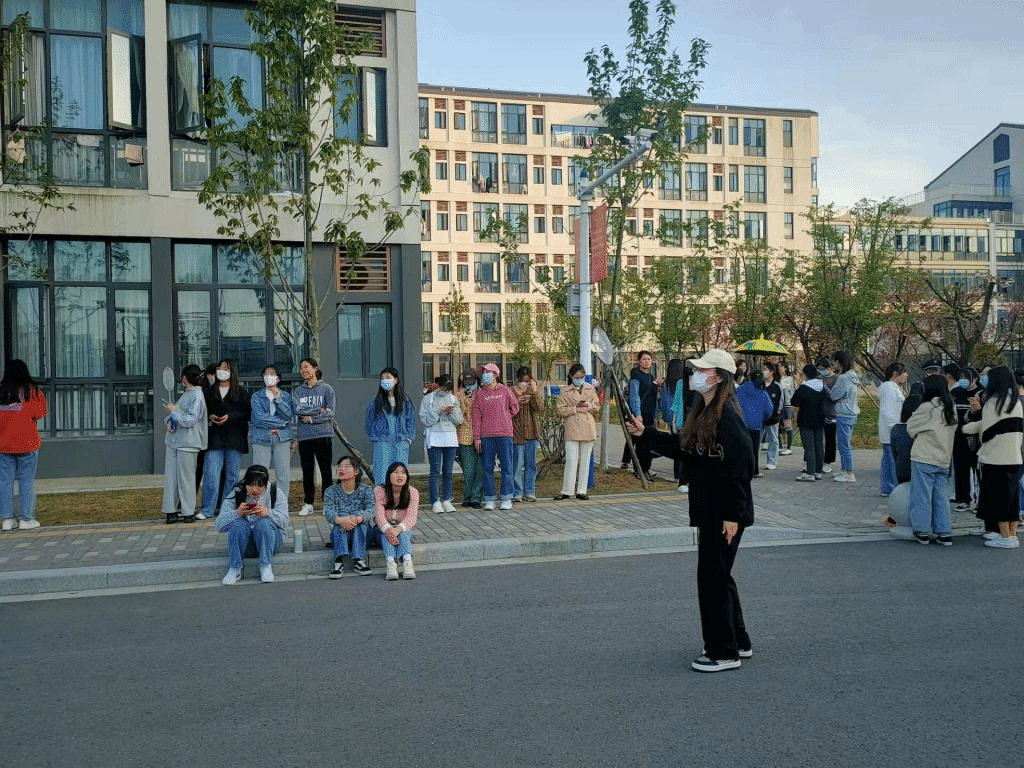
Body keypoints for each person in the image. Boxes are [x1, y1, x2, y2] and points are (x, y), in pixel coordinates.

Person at [627, 348, 754, 673]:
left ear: (718, 377)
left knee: (712, 579)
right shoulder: (704, 412)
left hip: (725, 513)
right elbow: (684, 447)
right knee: (719, 576)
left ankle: (723, 652)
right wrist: (647, 434)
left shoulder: (727, 416)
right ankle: (738, 641)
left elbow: (742, 465)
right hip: (710, 509)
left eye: (702, 370)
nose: (695, 375)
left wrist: (733, 515)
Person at [963, 365, 1023, 549]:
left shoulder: (992, 402)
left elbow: (986, 433)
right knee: (1012, 498)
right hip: (1014, 456)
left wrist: (971, 428)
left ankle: (1004, 537)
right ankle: (1012, 535)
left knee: (999, 498)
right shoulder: (1015, 402)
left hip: (994, 458)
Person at [217, 464, 289, 584]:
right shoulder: (237, 493)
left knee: (263, 523)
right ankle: (235, 568)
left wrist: (268, 513)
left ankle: (265, 566)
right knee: (238, 525)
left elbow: (285, 522)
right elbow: (219, 525)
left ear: (265, 485)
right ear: (245, 483)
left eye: (260, 486)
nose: (255, 490)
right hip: (246, 546)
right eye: (250, 485)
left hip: (270, 543)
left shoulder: (275, 492)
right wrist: (238, 513)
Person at [906, 375, 957, 545]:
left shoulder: (927, 407)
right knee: (941, 496)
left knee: (922, 495)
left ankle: (921, 530)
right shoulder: (951, 407)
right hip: (944, 458)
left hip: (924, 456)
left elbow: (911, 427)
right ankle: (944, 532)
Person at [199, 358, 250, 521]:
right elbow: (203, 411)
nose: (221, 372)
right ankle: (207, 509)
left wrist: (230, 416)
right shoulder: (209, 392)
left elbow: (247, 414)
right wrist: (211, 416)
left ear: (232, 372)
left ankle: (226, 508)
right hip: (214, 439)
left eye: (225, 369)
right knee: (211, 475)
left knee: (232, 476)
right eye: (219, 368)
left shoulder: (241, 392)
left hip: (235, 438)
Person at [0, 360, 47, 531]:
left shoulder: (1, 391)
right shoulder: (32, 391)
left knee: (4, 482)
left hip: (3, 445)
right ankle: (26, 519)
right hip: (27, 443)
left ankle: (7, 519)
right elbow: (40, 412)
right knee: (26, 481)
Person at [161, 364, 208, 524]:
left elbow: (191, 419)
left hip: (188, 443)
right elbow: (179, 415)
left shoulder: (197, 395)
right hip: (174, 442)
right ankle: (171, 511)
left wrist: (173, 411)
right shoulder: (186, 394)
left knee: (186, 479)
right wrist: (169, 419)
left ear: (186, 378)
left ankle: (188, 512)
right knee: (171, 479)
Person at [472, 362, 519, 510]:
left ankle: (506, 498)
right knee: (487, 468)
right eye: (484, 372)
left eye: (488, 372)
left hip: (504, 434)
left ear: (495, 375)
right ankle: (490, 499)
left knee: (507, 467)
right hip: (486, 436)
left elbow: (515, 407)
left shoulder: (505, 390)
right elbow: (476, 417)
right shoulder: (480, 394)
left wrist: (505, 417)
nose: (485, 375)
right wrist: (477, 437)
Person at [293, 357, 336, 517]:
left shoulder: (327, 389)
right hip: (305, 437)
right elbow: (297, 410)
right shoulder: (298, 391)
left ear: (315, 368)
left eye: (306, 367)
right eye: (301, 368)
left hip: (323, 434)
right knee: (307, 472)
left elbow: (330, 412)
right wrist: (319, 409)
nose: (304, 370)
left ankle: (327, 504)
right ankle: (308, 503)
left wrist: (311, 418)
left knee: (326, 471)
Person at [555, 364, 600, 501]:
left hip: (587, 425)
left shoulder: (590, 388)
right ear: (571, 376)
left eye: (582, 377)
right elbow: (560, 409)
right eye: (577, 377)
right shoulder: (565, 391)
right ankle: (567, 490)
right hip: (572, 426)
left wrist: (588, 405)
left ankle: (581, 490)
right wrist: (575, 408)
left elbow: (597, 406)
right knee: (571, 460)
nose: (579, 379)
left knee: (585, 460)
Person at [324, 456, 374, 578]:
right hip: (340, 532)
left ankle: (359, 560)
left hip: (364, 533)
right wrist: (341, 520)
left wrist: (357, 519)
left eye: (347, 466)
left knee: (360, 523)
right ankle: (338, 562)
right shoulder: (330, 491)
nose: (342, 469)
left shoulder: (366, 490)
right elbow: (329, 512)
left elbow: (372, 510)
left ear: (356, 471)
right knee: (339, 523)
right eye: (340, 466)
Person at [420, 373, 463, 513]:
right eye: (444, 386)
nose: (446, 390)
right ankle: (435, 501)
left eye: (448, 387)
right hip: (434, 437)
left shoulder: (453, 399)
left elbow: (459, 420)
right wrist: (438, 412)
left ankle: (447, 500)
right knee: (435, 471)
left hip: (450, 437)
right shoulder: (428, 399)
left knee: (448, 471)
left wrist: (451, 412)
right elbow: (425, 420)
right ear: (438, 385)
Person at [365, 367, 416, 486]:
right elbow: (369, 420)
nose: (385, 381)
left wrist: (408, 439)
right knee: (381, 473)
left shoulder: (405, 400)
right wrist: (375, 436)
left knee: (399, 473)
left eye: (388, 377)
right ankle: (381, 497)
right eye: (382, 378)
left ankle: (399, 497)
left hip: (400, 440)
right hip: (382, 441)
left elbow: (411, 420)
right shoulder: (376, 400)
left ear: (396, 380)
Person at [250, 364, 294, 496]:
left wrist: (278, 399)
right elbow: (258, 418)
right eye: (266, 374)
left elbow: (288, 415)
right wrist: (281, 423)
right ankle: (259, 502)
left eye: (272, 374)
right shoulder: (256, 396)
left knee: (283, 474)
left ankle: (282, 503)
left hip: (282, 438)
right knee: (259, 473)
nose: (269, 376)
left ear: (278, 378)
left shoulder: (286, 396)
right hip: (261, 438)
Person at [374, 461, 420, 580]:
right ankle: (391, 564)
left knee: (404, 534)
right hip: (381, 530)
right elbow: (379, 517)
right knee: (386, 534)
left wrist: (398, 530)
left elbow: (411, 518)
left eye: (403, 473)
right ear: (389, 476)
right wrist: (389, 530)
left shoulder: (413, 492)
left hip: (402, 530)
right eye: (395, 472)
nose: (400, 475)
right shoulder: (379, 491)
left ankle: (407, 563)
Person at [620, 350, 659, 481]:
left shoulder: (651, 377)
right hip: (640, 415)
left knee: (648, 443)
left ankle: (645, 468)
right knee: (640, 443)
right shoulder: (636, 377)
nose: (647, 362)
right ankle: (639, 470)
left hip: (650, 414)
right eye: (644, 359)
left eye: (649, 359)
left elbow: (655, 398)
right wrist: (637, 414)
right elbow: (634, 396)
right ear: (639, 361)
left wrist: (655, 415)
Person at [510, 367, 543, 502]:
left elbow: (539, 407)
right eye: (522, 380)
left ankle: (530, 491)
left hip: (531, 432)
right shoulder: (510, 391)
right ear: (517, 379)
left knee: (531, 464)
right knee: (517, 464)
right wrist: (517, 402)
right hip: (516, 432)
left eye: (527, 380)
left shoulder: (532, 391)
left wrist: (534, 392)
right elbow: (506, 410)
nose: (524, 383)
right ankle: (517, 492)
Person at [791, 364, 828, 481]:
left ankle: (810, 473)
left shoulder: (803, 387)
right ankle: (818, 471)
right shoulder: (822, 386)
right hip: (820, 419)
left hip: (805, 420)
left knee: (809, 447)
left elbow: (793, 401)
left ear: (805, 374)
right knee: (819, 446)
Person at [829, 350, 860, 482]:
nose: (833, 364)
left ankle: (849, 472)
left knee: (844, 445)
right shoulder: (853, 376)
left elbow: (834, 395)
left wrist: (830, 390)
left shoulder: (843, 378)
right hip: (851, 413)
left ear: (838, 362)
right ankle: (844, 469)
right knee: (844, 443)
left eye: (834, 361)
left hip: (844, 413)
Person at [735, 369, 773, 478]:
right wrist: (762, 418)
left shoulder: (740, 389)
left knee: (741, 448)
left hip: (741, 423)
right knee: (754, 449)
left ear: (749, 377)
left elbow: (733, 402)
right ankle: (754, 470)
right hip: (756, 425)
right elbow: (769, 410)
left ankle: (740, 469)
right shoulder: (763, 393)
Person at [877, 362, 907, 497]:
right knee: (893, 461)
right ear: (895, 374)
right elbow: (888, 412)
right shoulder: (889, 389)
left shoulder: (891, 388)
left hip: (890, 430)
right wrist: (896, 430)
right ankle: (894, 488)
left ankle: (887, 487)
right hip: (892, 430)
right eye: (903, 372)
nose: (906, 375)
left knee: (888, 460)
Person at [456, 370, 484, 508]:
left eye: (471, 381)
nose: (469, 384)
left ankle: (476, 498)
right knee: (468, 470)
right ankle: (467, 497)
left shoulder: (483, 393)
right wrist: (467, 400)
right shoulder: (458, 394)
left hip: (483, 435)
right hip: (465, 434)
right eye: (466, 381)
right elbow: (458, 416)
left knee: (480, 469)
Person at [816, 357, 838, 474]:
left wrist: (827, 391)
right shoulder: (818, 378)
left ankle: (828, 462)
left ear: (829, 368)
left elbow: (836, 395)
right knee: (818, 438)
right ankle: (817, 460)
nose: (821, 371)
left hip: (832, 412)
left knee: (830, 439)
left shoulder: (836, 378)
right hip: (819, 411)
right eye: (819, 368)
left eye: (822, 368)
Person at [761, 362, 783, 470]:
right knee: (756, 440)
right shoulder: (759, 385)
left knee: (773, 439)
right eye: (763, 369)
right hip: (759, 418)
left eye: (765, 369)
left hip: (772, 418)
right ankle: (753, 461)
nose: (763, 371)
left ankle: (772, 461)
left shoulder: (777, 386)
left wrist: (776, 414)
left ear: (772, 372)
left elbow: (781, 402)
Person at [777, 360, 795, 456]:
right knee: (777, 426)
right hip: (778, 406)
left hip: (787, 405)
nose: (779, 368)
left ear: (786, 368)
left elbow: (785, 389)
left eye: (781, 366)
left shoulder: (789, 379)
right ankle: (780, 446)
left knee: (788, 426)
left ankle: (788, 447)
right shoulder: (776, 379)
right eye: (778, 367)